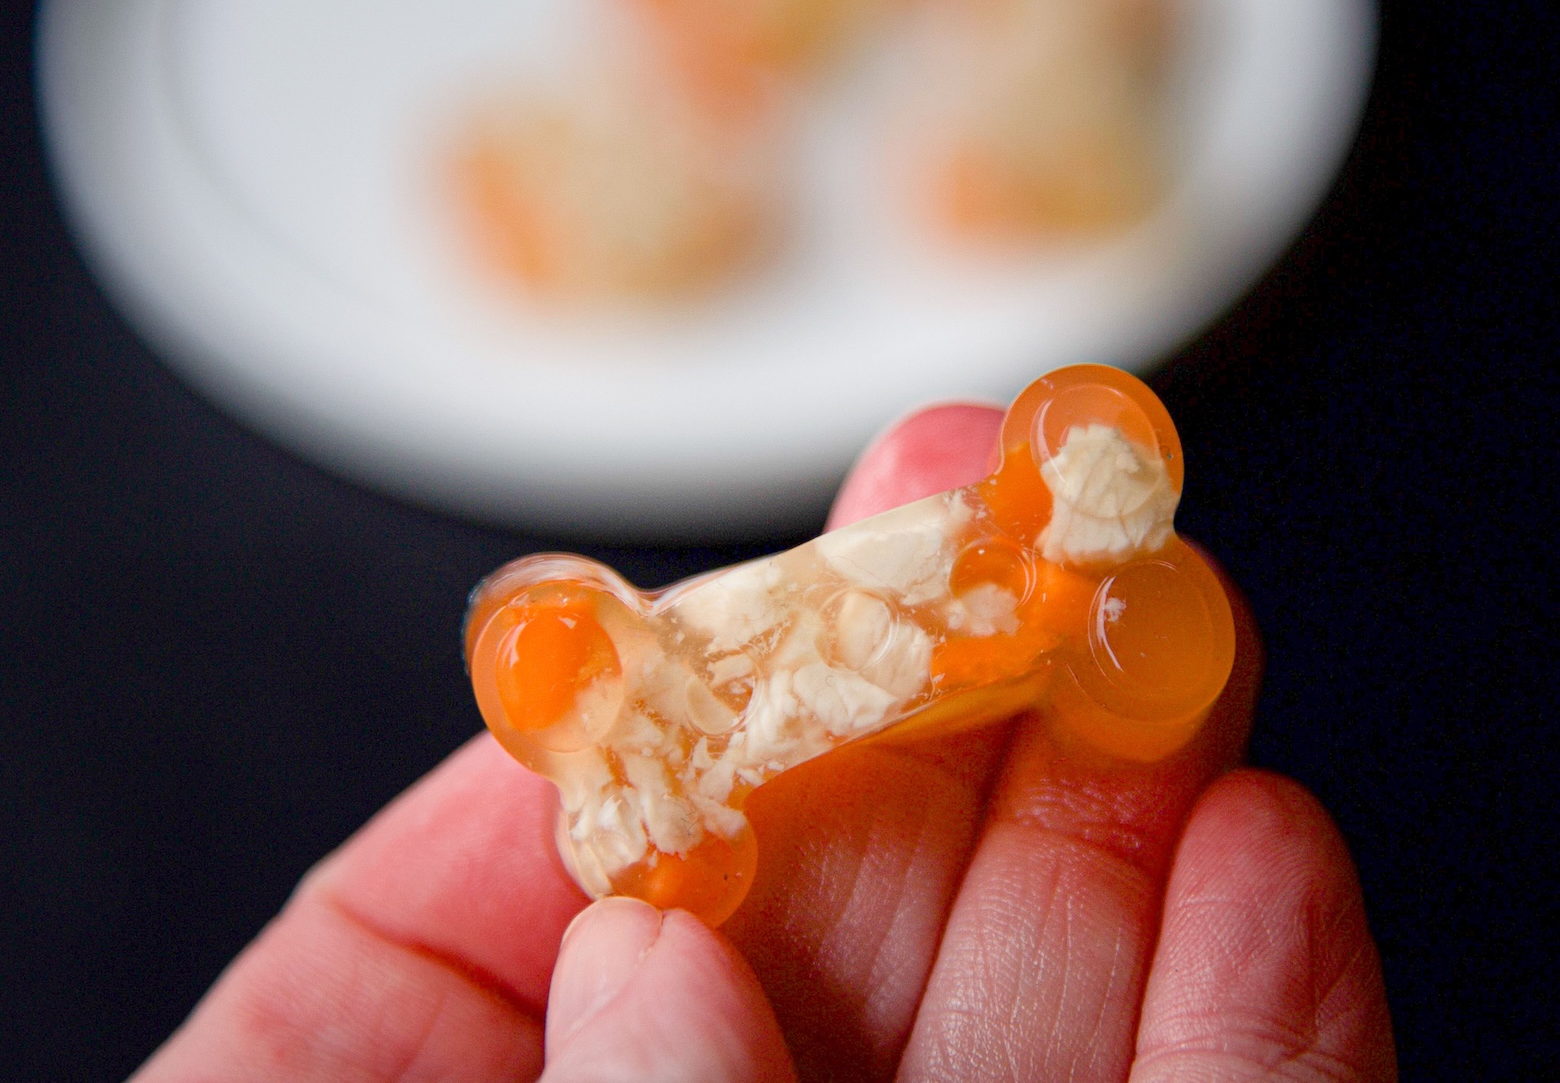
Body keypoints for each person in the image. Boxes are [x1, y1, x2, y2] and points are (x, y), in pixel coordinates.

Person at [131, 401, 1396, 1081]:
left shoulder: (641, 693)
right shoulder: (627, 813)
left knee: (1013, 599)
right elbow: (687, 861)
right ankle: (1081, 593)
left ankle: (1073, 569)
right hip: (1004, 623)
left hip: (1009, 582)